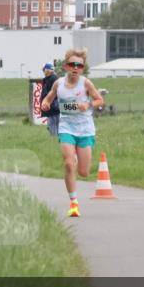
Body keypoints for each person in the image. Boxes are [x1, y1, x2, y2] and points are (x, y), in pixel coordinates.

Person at [39, 49, 104, 217]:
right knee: (68, 164)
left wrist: (88, 105)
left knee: (83, 172)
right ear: (66, 66)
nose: (75, 68)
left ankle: (77, 158)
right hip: (66, 127)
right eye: (72, 64)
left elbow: (99, 100)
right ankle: (74, 203)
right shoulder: (58, 83)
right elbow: (49, 97)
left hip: (85, 129)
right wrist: (45, 103)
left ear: (82, 68)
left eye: (79, 65)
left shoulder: (86, 83)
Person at [40, 62, 60, 137]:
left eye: (44, 70)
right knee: (56, 124)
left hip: (52, 106)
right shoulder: (53, 78)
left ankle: (54, 139)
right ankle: (58, 139)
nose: (43, 72)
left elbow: (51, 93)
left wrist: (47, 102)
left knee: (52, 124)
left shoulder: (51, 79)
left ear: (47, 70)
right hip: (55, 105)